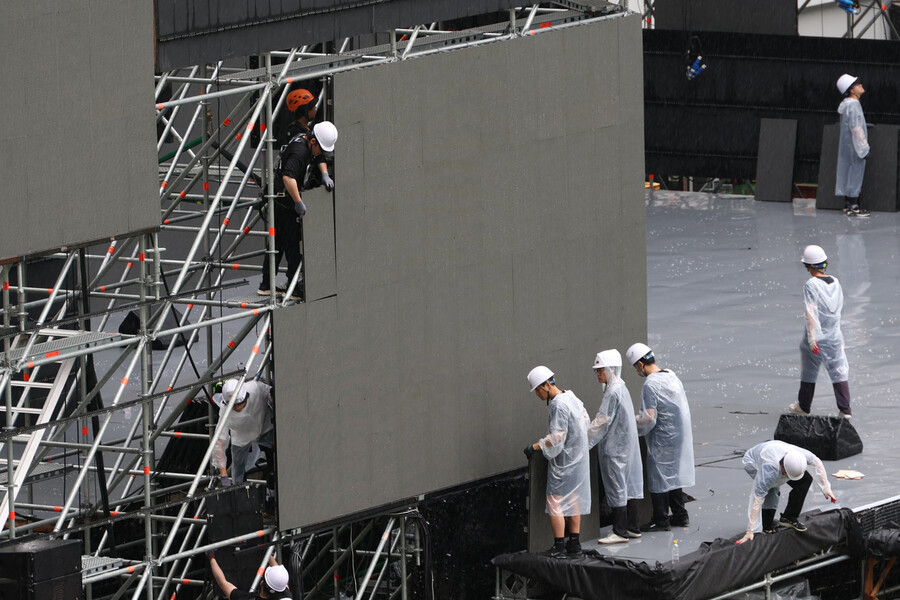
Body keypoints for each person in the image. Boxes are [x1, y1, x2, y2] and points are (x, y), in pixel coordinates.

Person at [259, 121, 338, 298]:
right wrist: (298, 202)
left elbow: (318, 157)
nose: (322, 154)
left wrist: (324, 174)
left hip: (279, 199)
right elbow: (288, 177)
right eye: (321, 149)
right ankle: (294, 288)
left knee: (277, 244)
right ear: (313, 142)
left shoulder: (306, 139)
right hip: (285, 201)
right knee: (293, 245)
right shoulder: (299, 151)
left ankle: (266, 284)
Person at [626, 343, 695, 532]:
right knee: (673, 476)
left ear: (640, 364)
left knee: (658, 477)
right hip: (679, 435)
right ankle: (681, 515)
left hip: (662, 439)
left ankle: (661, 519)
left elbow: (648, 417)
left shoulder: (650, 384)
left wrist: (631, 422)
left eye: (635, 367)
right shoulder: (671, 375)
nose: (636, 371)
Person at [524, 366, 591, 558]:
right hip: (579, 459)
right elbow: (585, 419)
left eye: (537, 390)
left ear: (546, 385)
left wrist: (535, 447)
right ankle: (575, 545)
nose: (537, 394)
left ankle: (559, 546)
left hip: (564, 463)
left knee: (555, 502)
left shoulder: (557, 405)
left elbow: (557, 437)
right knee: (574, 499)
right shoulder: (571, 396)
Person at [788, 245, 852, 419]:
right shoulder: (836, 282)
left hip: (817, 337)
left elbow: (811, 311)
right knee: (838, 370)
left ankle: (804, 405)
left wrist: (811, 338)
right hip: (835, 335)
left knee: (809, 369)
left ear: (807, 266)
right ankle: (845, 410)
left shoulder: (811, 285)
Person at [587, 350, 643, 544]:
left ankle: (620, 531)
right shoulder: (621, 387)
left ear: (611, 369)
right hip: (625, 447)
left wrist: (583, 437)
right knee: (629, 486)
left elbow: (603, 420)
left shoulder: (612, 391)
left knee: (618, 487)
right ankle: (633, 527)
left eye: (600, 370)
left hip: (615, 449)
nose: (598, 374)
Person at [735, 440, 836, 545]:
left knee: (805, 480)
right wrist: (750, 530)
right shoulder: (769, 471)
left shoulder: (800, 455)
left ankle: (788, 517)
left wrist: (826, 487)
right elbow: (757, 498)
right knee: (772, 488)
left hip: (777, 450)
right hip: (752, 462)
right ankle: (766, 524)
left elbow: (817, 463)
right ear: (783, 467)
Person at [213, 378, 275, 491]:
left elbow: (272, 395)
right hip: (241, 437)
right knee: (238, 473)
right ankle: (240, 495)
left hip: (263, 426)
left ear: (246, 396)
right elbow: (219, 444)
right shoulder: (224, 411)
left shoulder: (255, 388)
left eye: (240, 404)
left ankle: (272, 491)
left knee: (275, 462)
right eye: (234, 406)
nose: (237, 408)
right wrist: (224, 476)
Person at [279, 89, 334, 192]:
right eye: (312, 107)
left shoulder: (309, 128)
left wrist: (325, 174)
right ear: (304, 111)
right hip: (300, 183)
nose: (315, 109)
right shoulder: (295, 132)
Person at [835, 74, 870, 217]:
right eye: (857, 84)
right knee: (855, 173)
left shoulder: (846, 105)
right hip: (855, 147)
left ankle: (848, 204)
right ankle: (854, 206)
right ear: (851, 90)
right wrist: (864, 145)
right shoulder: (854, 105)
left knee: (847, 172)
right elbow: (856, 127)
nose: (861, 85)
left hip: (847, 146)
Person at [208, 551, 293, 599]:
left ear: (262, 582)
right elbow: (279, 578)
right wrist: (267, 553)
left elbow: (223, 583)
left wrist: (211, 557)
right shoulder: (286, 596)